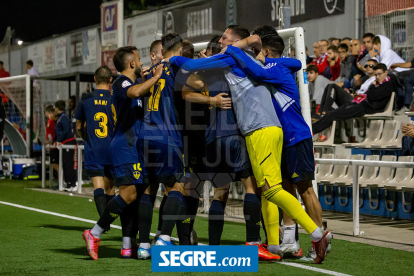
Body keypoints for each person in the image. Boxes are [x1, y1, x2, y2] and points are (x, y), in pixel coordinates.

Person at [166, 25, 331, 264]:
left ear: (235, 41)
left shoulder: (231, 55)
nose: (221, 40)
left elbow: (191, 66)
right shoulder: (257, 59)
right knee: (266, 190)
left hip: (258, 130)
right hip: (272, 129)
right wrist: (253, 47)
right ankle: (273, 244)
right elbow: (295, 64)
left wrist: (171, 58)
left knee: (272, 190)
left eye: (225, 37)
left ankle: (318, 234)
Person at [226, 33, 326, 260]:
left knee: (306, 190)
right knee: (280, 189)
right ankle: (287, 242)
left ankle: (320, 236)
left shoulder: (276, 69)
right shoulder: (272, 69)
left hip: (296, 136)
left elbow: (296, 62)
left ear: (267, 52)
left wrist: (239, 52)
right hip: (280, 138)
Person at [82, 46, 163, 260]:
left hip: (134, 146)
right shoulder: (121, 84)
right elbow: (135, 92)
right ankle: (94, 232)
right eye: (138, 58)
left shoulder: (133, 83)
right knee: (129, 194)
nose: (142, 61)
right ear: (132, 63)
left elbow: (138, 92)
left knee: (135, 195)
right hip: (124, 145)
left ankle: (128, 244)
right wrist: (155, 77)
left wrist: (145, 80)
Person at [75, 65, 115, 233]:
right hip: (113, 148)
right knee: (111, 189)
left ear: (94, 79)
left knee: (98, 187)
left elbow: (79, 126)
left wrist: (86, 138)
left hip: (94, 147)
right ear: (111, 80)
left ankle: (104, 223)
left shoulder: (86, 99)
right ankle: (106, 222)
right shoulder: (115, 98)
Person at [312, 63, 394, 134]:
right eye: (376, 75)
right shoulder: (379, 84)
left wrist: (372, 85)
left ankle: (312, 131)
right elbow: (370, 95)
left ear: (386, 72)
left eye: (380, 74)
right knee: (331, 113)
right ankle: (312, 128)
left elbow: (372, 96)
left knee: (334, 115)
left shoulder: (387, 84)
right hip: (360, 103)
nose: (378, 77)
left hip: (365, 107)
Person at [372, 35, 409, 110]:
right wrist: (373, 57)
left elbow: (381, 70)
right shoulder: (380, 56)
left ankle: (399, 103)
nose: (374, 47)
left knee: (390, 78)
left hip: (404, 75)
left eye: (377, 44)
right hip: (396, 76)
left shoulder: (388, 53)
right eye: (374, 44)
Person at [53, 100, 77, 191]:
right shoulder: (61, 117)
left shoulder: (63, 117)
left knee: (68, 163)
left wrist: (59, 140)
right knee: (66, 163)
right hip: (65, 143)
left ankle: (72, 183)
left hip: (68, 142)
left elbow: (66, 130)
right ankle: (68, 182)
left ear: (57, 108)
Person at [45, 105, 59, 181]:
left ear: (48, 112)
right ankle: (61, 181)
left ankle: (61, 181)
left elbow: (51, 134)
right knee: (56, 163)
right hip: (56, 143)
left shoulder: (50, 121)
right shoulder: (56, 120)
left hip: (53, 144)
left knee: (54, 163)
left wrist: (49, 142)